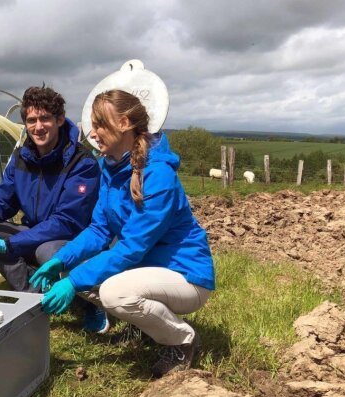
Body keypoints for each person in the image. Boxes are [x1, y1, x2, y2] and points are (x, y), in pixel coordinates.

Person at [29, 89, 215, 377]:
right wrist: (62, 261)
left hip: (185, 275)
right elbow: (99, 229)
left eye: (100, 124)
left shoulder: (158, 175)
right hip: (149, 268)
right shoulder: (109, 168)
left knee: (113, 292)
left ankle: (181, 339)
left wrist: (75, 280)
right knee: (76, 272)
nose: (93, 133)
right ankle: (149, 321)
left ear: (125, 123)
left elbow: (131, 248)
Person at [0, 86, 109, 332]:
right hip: (34, 231)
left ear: (59, 119)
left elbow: (66, 221)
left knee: (47, 251)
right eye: (31, 120)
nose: (38, 127)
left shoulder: (82, 163)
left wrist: (8, 245)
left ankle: (89, 303)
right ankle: (34, 294)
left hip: (71, 238)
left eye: (45, 118)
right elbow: (4, 202)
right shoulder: (22, 157)